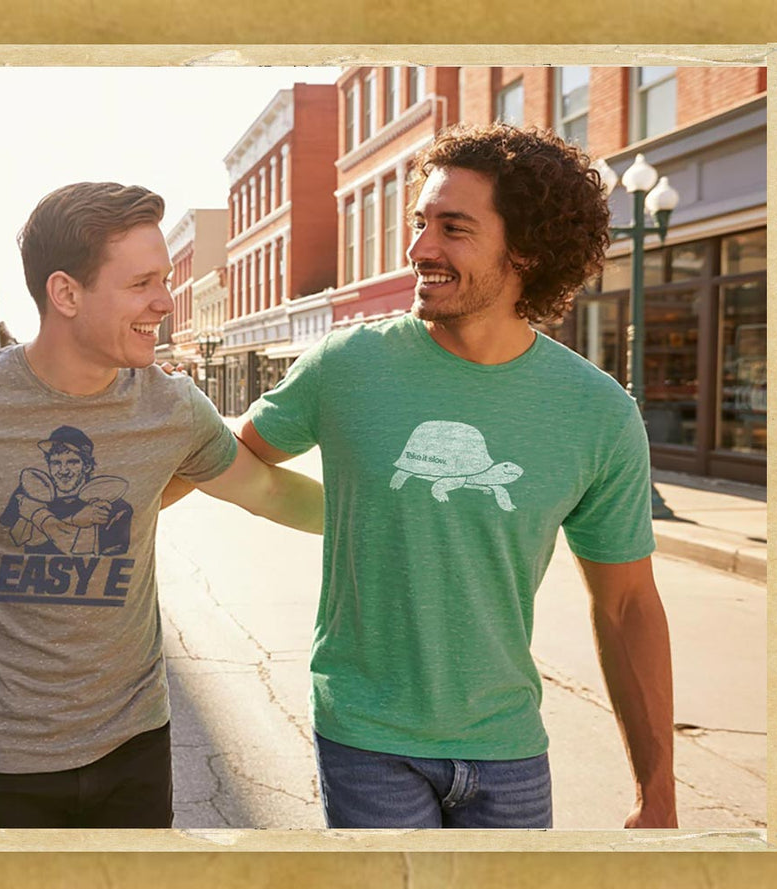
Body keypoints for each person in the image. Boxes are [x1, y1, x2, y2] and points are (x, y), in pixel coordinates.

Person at [0, 182, 325, 828]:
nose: (165, 301)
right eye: (142, 283)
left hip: (135, 743)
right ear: (66, 293)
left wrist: (387, 517)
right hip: (4, 760)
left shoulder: (171, 406)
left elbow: (265, 488)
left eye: (163, 279)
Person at [241, 123, 677, 829]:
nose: (419, 248)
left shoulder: (597, 412)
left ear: (527, 249)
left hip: (509, 747)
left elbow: (627, 605)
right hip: (367, 739)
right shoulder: (346, 364)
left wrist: (657, 791)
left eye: (453, 227)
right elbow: (230, 455)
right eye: (420, 223)